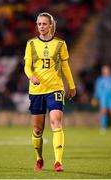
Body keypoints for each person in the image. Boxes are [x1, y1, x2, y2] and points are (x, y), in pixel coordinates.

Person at [24, 12, 76, 172]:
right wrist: (31, 76)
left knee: (56, 122)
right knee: (38, 130)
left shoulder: (60, 44)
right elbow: (27, 66)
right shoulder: (31, 44)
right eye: (39, 24)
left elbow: (65, 67)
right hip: (37, 90)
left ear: (51, 25)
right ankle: (39, 159)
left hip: (55, 88)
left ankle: (58, 162)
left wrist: (72, 86)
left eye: (44, 24)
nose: (41, 27)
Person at [92, 65, 111, 134]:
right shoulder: (100, 80)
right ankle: (103, 127)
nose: (106, 71)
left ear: (109, 71)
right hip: (103, 98)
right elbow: (97, 90)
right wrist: (95, 97)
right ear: (102, 71)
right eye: (104, 70)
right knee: (103, 112)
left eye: (107, 70)